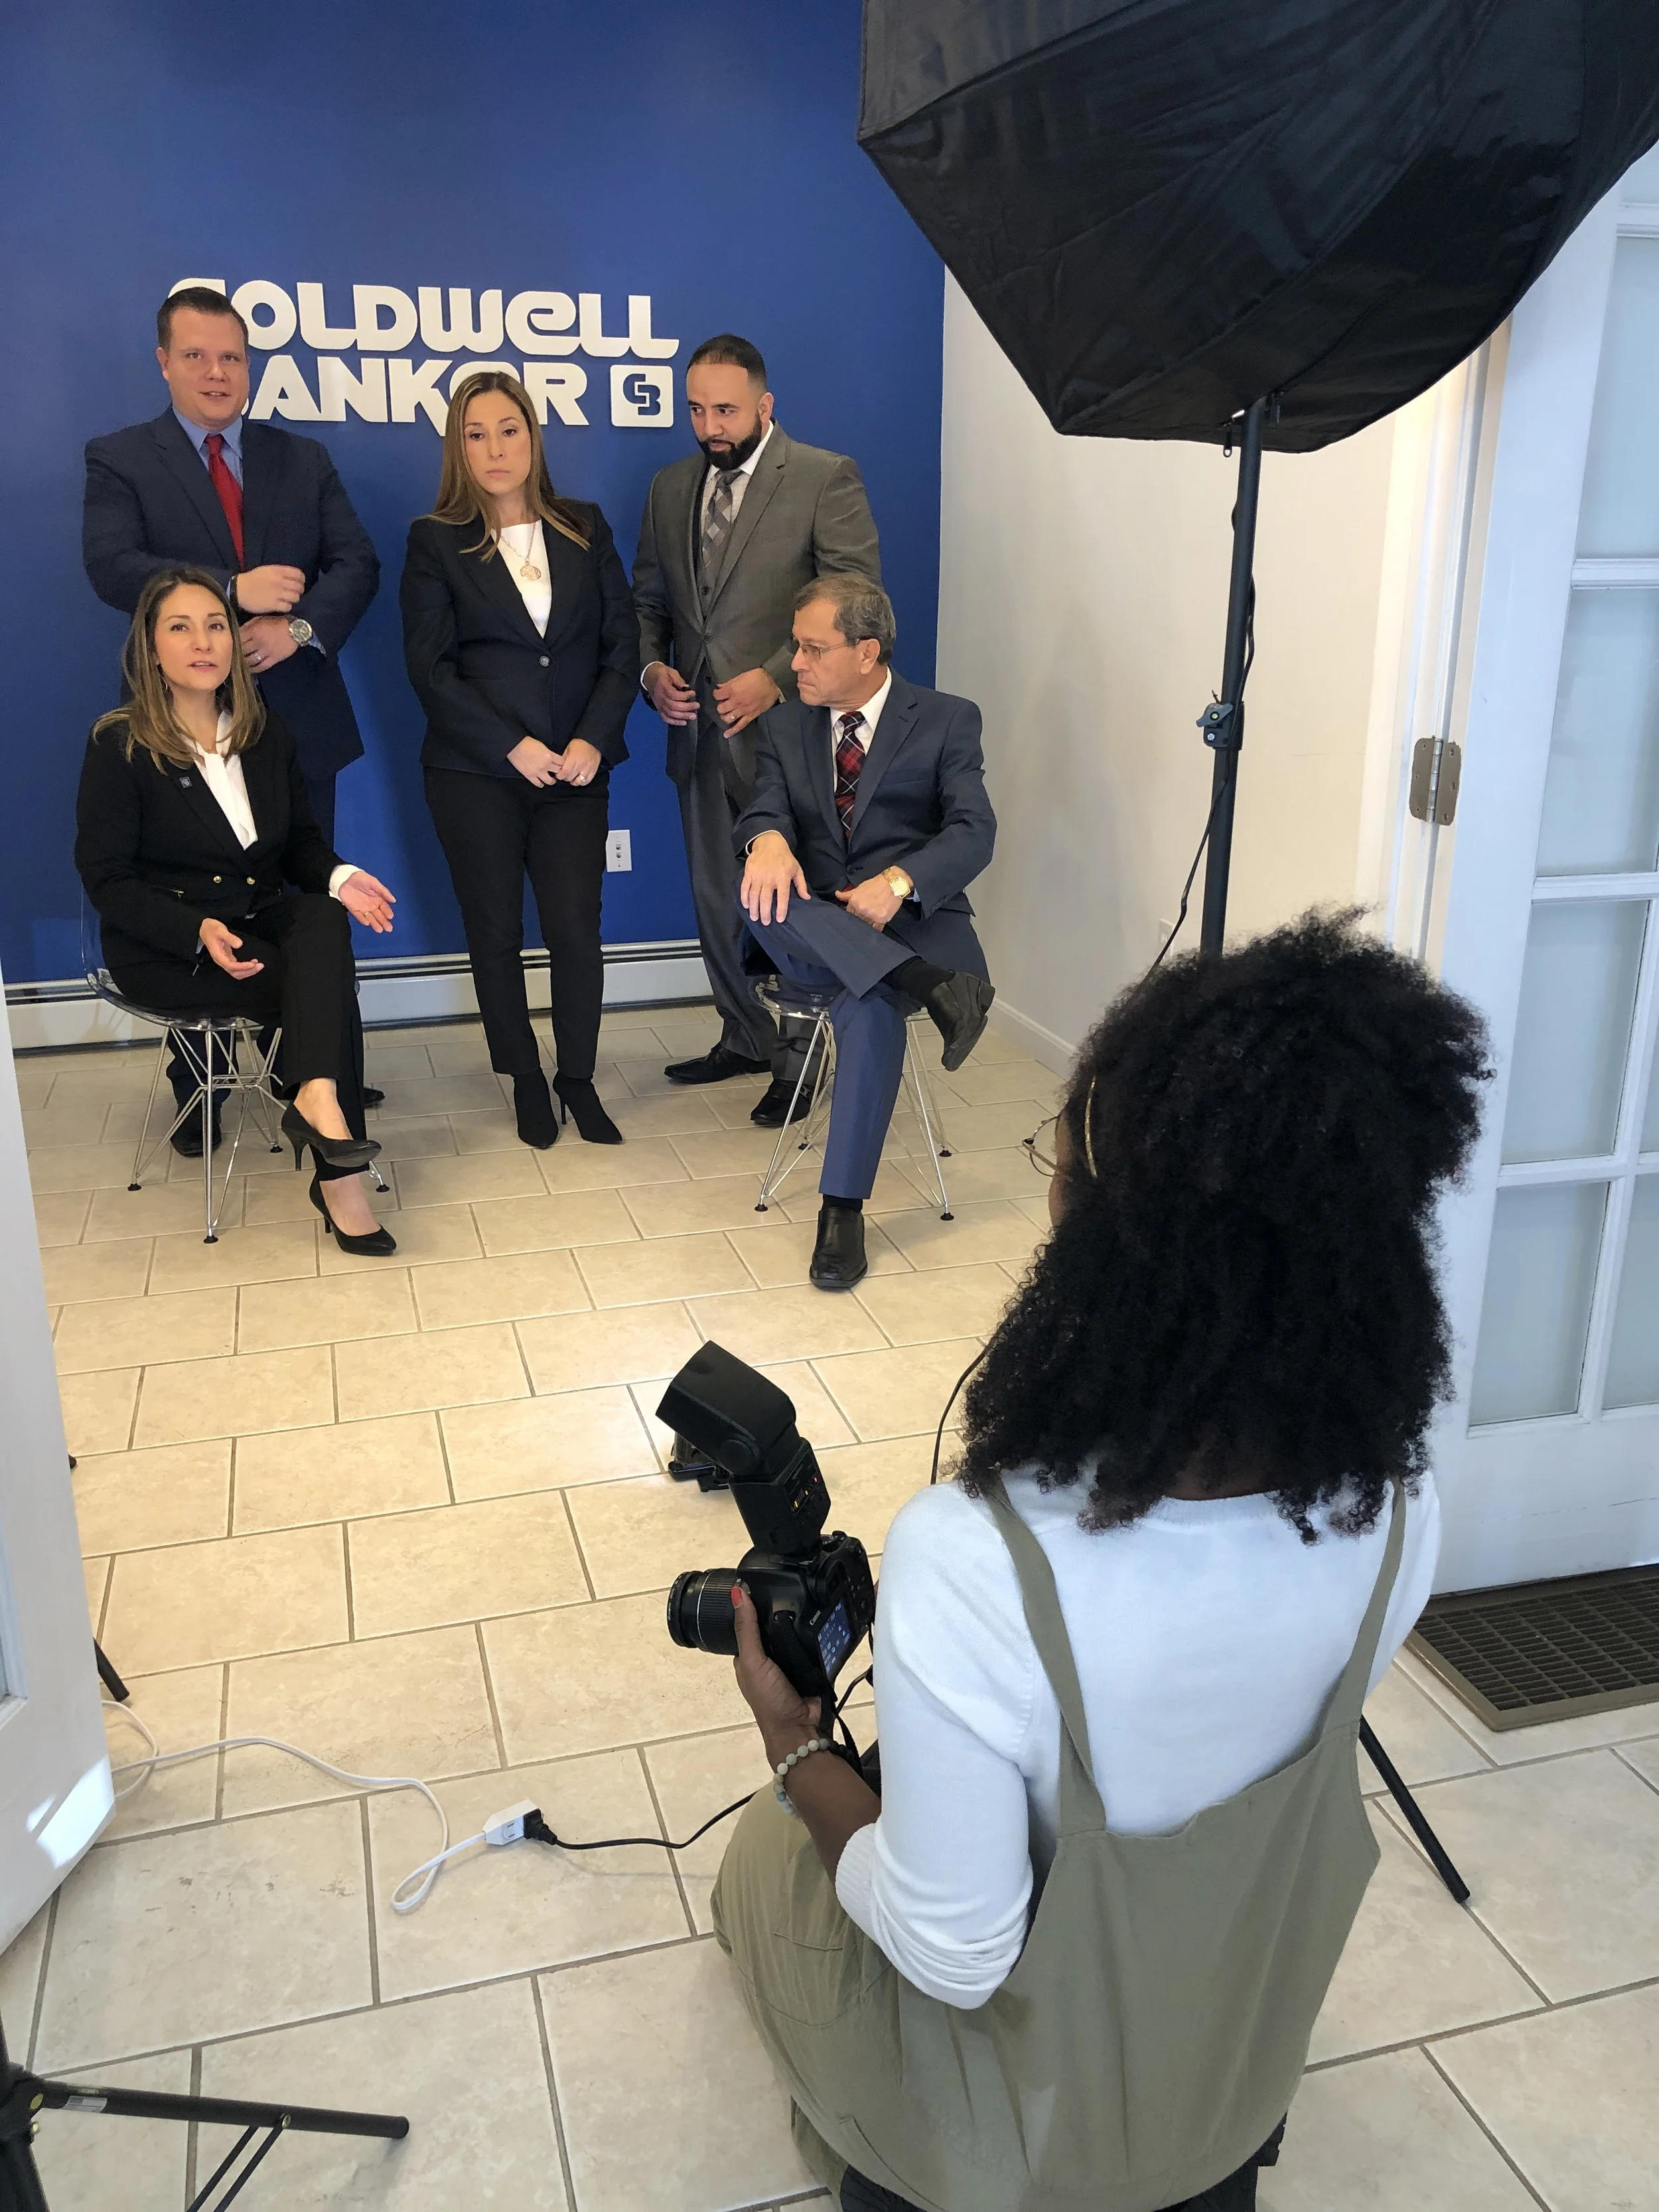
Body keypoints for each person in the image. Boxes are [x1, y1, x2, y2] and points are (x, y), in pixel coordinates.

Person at [709, 913, 1492, 2212]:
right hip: (1226, 2080)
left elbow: (955, 1954)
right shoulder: (1398, 1506)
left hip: (1013, 2146)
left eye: (1054, 1157)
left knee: (766, 1852)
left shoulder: (976, 1559)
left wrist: (793, 1748)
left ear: (1092, 1227)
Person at [83, 286, 382, 1148]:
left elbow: (354, 561)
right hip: (180, 732)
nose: (217, 372)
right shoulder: (121, 458)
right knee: (197, 897)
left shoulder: (302, 458)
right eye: (197, 355)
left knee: (311, 899)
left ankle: (326, 1075)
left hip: (293, 723)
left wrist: (295, 629)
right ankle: (202, 1080)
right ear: (164, 361)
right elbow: (111, 567)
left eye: (233, 357)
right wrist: (226, 590)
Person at [75, 568, 399, 1256]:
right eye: (180, 627)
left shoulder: (264, 733)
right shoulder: (120, 744)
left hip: (255, 923)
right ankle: (337, 1171)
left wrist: (341, 877)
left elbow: (302, 846)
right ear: (150, 648)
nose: (203, 641)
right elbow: (106, 878)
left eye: (216, 625)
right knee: (319, 983)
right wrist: (193, 929)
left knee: (323, 922)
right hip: (166, 948)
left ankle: (316, 1102)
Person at [633, 334, 881, 1124]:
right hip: (698, 734)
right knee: (717, 893)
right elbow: (646, 604)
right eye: (697, 408)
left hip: (793, 736)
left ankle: (801, 1059)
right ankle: (744, 1036)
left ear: (764, 406)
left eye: (727, 408)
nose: (710, 424)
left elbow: (856, 601)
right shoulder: (670, 487)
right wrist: (651, 672)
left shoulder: (821, 476)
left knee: (793, 897)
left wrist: (774, 680)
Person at [401, 370, 638, 1149]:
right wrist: (512, 745)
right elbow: (430, 671)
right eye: (475, 434)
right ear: (456, 449)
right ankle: (525, 1079)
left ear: (533, 436)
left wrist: (591, 740)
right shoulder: (434, 540)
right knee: (495, 932)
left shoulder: (585, 526)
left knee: (575, 929)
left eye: (508, 429)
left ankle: (577, 1076)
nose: (494, 448)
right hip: (476, 775)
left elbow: (620, 645)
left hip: (576, 770)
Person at [737, 577, 995, 1291]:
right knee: (762, 892)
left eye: (814, 648)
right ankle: (932, 988)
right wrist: (765, 839)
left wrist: (900, 884)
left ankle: (841, 1211)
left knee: (872, 1005)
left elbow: (974, 831)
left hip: (915, 922)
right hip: (813, 926)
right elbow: (762, 808)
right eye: (797, 646)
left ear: (866, 651)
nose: (795, 663)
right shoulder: (785, 725)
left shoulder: (947, 719)